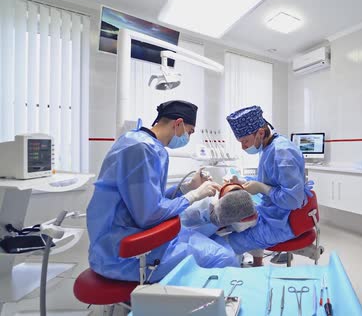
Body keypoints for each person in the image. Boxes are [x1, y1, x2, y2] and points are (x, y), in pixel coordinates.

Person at [87, 100, 238, 282]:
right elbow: (148, 214)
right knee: (225, 258)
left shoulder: (138, 141)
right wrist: (194, 195)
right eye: (189, 132)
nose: (187, 137)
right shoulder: (142, 149)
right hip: (125, 254)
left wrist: (188, 187)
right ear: (178, 124)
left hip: (128, 238)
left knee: (223, 245)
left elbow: (148, 199)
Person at [223, 105, 312, 266]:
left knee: (228, 243)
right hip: (273, 215)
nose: (243, 147)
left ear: (261, 133)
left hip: (283, 224)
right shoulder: (268, 147)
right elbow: (269, 180)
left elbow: (293, 200)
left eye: (245, 141)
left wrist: (262, 188)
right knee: (233, 226)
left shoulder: (282, 152)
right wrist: (243, 181)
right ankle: (257, 264)